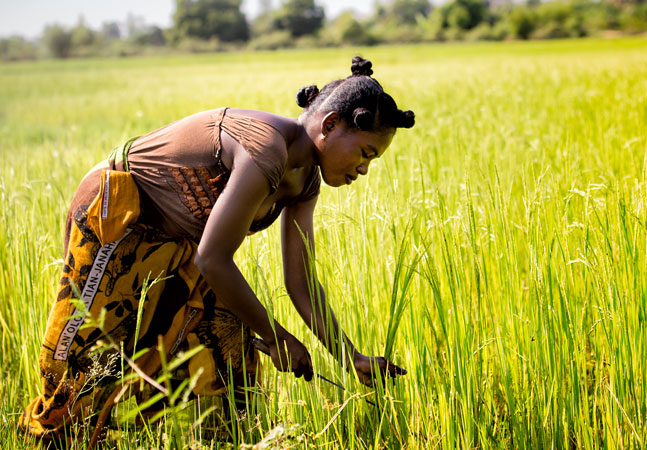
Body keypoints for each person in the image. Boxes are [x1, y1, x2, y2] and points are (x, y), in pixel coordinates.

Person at [20, 56, 414, 445]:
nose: (364, 170)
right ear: (329, 125)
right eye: (365, 153)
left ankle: (226, 440)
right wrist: (277, 336)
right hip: (118, 217)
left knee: (229, 346)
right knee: (86, 369)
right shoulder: (265, 149)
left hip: (179, 245)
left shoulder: (305, 180)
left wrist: (351, 356)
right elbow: (212, 259)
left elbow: (301, 282)